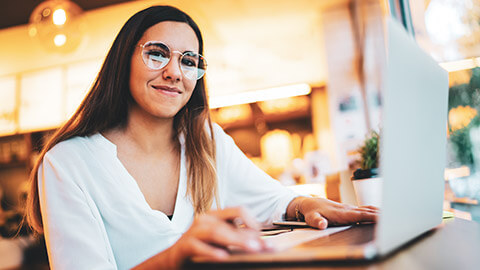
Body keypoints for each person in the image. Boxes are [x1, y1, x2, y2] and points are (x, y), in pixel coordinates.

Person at [25, 5, 378, 269]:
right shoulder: (67, 162)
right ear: (123, 61)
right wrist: (176, 256)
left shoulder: (206, 140)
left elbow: (273, 202)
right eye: (157, 54)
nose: (174, 72)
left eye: (189, 61)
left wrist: (304, 205)